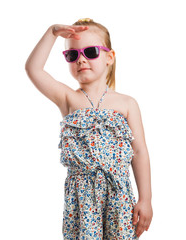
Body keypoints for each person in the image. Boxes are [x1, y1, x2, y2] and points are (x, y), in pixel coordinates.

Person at [25, 18, 153, 239]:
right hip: (82, 195)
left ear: (109, 57)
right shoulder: (68, 98)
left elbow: (139, 152)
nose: (81, 59)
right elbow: (33, 69)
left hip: (119, 191)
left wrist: (146, 199)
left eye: (91, 52)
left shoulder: (127, 103)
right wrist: (51, 33)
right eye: (73, 55)